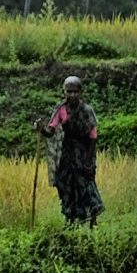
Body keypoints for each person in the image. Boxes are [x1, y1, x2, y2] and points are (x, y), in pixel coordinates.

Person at [34, 75, 104, 227]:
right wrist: (41, 129)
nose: (72, 95)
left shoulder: (86, 111)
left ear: (80, 92)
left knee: (85, 184)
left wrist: (88, 161)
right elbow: (50, 131)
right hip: (67, 152)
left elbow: (93, 137)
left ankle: (92, 220)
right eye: (69, 91)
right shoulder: (60, 110)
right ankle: (70, 218)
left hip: (83, 151)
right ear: (64, 92)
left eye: (75, 92)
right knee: (65, 184)